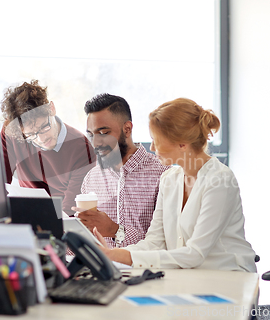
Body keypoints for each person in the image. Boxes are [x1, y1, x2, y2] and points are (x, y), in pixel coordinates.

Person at [93, 98, 257, 272]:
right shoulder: (169, 179)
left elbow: (195, 254)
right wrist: (112, 253)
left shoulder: (220, 181)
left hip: (229, 276)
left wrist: (119, 256)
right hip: (190, 276)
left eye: (156, 140)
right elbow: (155, 242)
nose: (153, 148)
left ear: (182, 144)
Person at [74, 94, 170, 248]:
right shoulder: (92, 178)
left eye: (104, 133)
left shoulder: (164, 174)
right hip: (103, 270)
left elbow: (167, 243)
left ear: (127, 129)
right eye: (91, 135)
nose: (96, 143)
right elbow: (89, 243)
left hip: (150, 270)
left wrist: (114, 230)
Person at [0, 80, 96, 215]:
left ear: (52, 108)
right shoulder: (13, 132)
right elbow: (0, 183)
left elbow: (70, 210)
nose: (41, 139)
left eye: (44, 127)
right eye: (30, 135)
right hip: (26, 214)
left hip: (60, 219)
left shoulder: (81, 148)